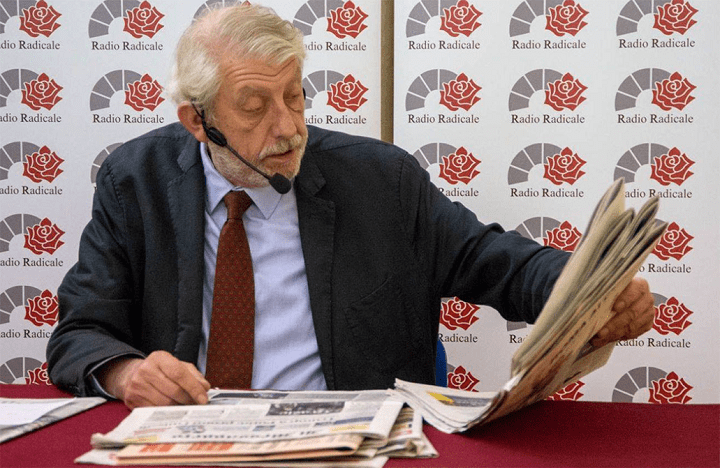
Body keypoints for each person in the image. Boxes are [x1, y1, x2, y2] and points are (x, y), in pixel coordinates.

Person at [46, 3, 655, 409]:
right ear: (197, 121)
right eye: (255, 107)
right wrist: (127, 374)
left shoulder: (380, 181)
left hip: (350, 444)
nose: (288, 127)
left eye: (294, 96)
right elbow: (80, 332)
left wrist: (588, 292)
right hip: (191, 441)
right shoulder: (135, 183)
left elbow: (497, 262)